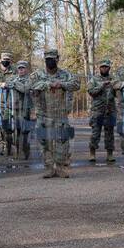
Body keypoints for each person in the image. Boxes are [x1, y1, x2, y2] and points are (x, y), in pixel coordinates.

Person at [31, 48, 80, 177]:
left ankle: (60, 167)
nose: (50, 62)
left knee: (62, 140)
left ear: (57, 59)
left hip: (60, 114)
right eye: (47, 59)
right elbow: (30, 86)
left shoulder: (65, 74)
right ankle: (48, 167)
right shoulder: (37, 74)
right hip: (43, 113)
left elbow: (76, 84)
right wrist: (47, 84)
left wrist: (62, 84)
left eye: (52, 59)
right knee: (44, 141)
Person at [87, 60, 117, 164]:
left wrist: (114, 86)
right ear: (99, 68)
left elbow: (118, 92)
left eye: (106, 67)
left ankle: (110, 154)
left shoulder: (113, 79)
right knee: (95, 133)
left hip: (110, 110)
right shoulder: (94, 79)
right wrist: (102, 85)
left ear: (109, 68)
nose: (104, 68)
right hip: (97, 111)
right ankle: (92, 153)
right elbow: (91, 92)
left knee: (109, 133)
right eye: (102, 67)